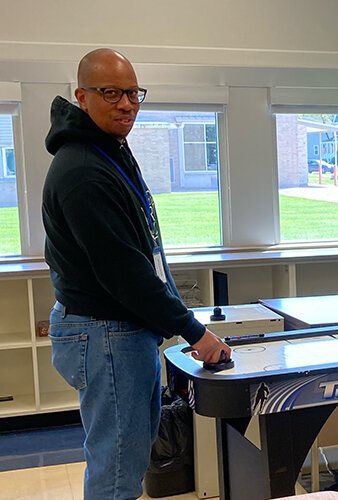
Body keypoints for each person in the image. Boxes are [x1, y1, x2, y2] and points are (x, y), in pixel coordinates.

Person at [42, 48, 231, 500]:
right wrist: (195, 333)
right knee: (118, 470)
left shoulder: (106, 150)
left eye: (133, 93)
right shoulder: (85, 170)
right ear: (82, 96)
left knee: (126, 458)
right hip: (106, 332)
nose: (126, 103)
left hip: (117, 329)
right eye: (111, 93)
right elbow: (124, 273)